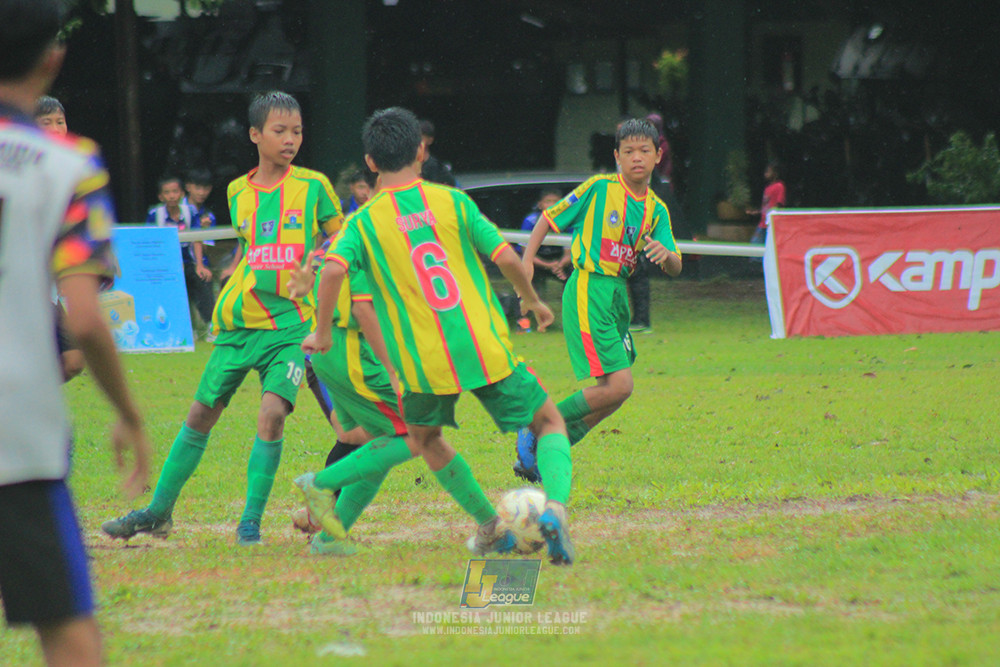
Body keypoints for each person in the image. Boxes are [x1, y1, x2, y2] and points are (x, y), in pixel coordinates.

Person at [292, 107, 575, 565]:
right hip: (482, 346)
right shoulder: (452, 202)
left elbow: (332, 272)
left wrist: (322, 331)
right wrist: (531, 300)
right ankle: (556, 509)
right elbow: (505, 256)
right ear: (421, 151)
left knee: (425, 439)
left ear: (370, 161)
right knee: (548, 422)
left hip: (422, 361)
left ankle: (486, 525)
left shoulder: (362, 223)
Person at [102, 91, 344, 546]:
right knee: (199, 415)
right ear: (255, 135)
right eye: (280, 131)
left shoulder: (315, 187)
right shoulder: (237, 191)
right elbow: (253, 249)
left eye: (297, 131)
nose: (290, 139)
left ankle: (249, 523)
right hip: (237, 323)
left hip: (290, 325)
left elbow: (346, 238)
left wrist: (317, 264)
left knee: (272, 415)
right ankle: (157, 512)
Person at [0, 2, 152, 665]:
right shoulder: (69, 164)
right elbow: (86, 317)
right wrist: (127, 413)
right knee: (68, 634)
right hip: (17, 434)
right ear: (52, 59)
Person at [515, 118, 682, 482]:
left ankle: (549, 450)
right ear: (617, 157)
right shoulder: (599, 188)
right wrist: (527, 261)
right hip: (590, 287)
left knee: (615, 395)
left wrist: (664, 255)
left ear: (658, 155)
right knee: (621, 386)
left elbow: (675, 264)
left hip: (616, 297)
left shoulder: (656, 210)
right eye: (628, 152)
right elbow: (549, 218)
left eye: (644, 151)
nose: (636, 158)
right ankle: (536, 427)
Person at [34, 95, 86, 380]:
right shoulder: (16, 167)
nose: (55, 129)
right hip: (20, 284)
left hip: (52, 281)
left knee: (74, 360)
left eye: (60, 122)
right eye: (46, 123)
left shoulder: (74, 168)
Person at [146, 175, 215, 331]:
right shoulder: (154, 215)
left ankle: (211, 325)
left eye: (175, 191)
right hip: (164, 265)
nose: (171, 196)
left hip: (188, 262)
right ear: (160, 196)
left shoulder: (190, 212)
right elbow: (150, 241)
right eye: (167, 192)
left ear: (182, 194)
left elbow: (196, 238)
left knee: (202, 278)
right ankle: (172, 328)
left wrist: (200, 265)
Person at [519, 189, 571, 302]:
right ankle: (526, 311)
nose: (552, 205)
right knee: (525, 273)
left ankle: (570, 304)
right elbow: (526, 253)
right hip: (537, 261)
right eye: (548, 201)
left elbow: (570, 253)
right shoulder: (530, 221)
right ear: (540, 204)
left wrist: (559, 265)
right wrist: (547, 265)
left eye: (556, 201)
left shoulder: (568, 220)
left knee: (575, 272)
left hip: (559, 262)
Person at [749, 161, 786, 245]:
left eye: (768, 171)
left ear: (775, 173)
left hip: (771, 223)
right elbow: (766, 205)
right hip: (763, 223)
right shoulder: (768, 188)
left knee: (760, 243)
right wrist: (758, 212)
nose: (766, 173)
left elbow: (779, 204)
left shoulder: (779, 186)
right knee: (755, 243)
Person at [417, 118, 457, 186]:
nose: (415, 141)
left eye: (420, 137)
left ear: (430, 140)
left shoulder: (438, 169)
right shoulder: (405, 166)